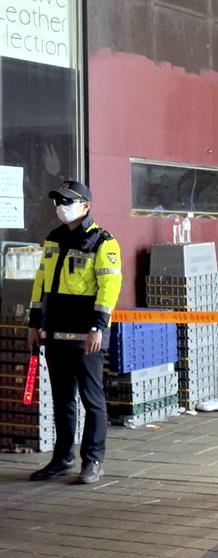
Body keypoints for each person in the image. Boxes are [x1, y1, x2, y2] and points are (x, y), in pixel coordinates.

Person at [27, 180, 123, 485]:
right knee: (62, 400)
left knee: (92, 400)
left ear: (86, 206)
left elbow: (110, 289)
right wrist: (33, 324)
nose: (61, 207)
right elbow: (40, 283)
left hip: (87, 337)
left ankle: (93, 460)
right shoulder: (53, 239)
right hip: (55, 333)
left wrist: (98, 327)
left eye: (68, 201)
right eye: (58, 201)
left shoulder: (103, 242)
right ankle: (62, 458)